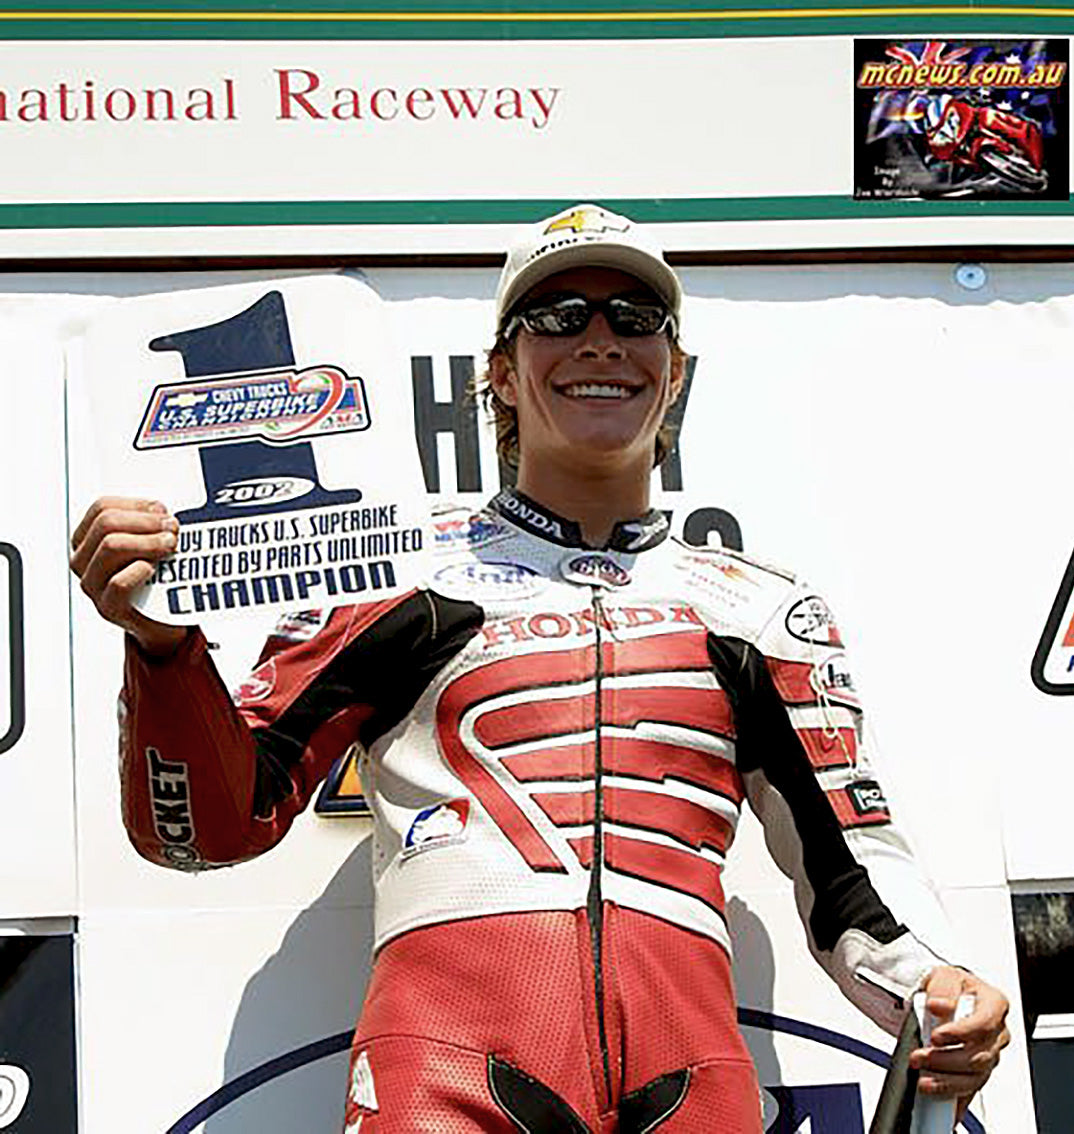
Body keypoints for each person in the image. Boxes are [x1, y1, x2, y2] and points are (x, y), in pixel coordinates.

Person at [70, 203, 1009, 1133]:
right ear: (502, 375)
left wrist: (935, 984)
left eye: (635, 319)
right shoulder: (393, 570)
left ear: (674, 372)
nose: (600, 341)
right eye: (558, 318)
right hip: (444, 1070)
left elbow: (850, 868)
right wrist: (161, 648)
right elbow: (210, 828)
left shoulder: (759, 611)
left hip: (692, 1075)